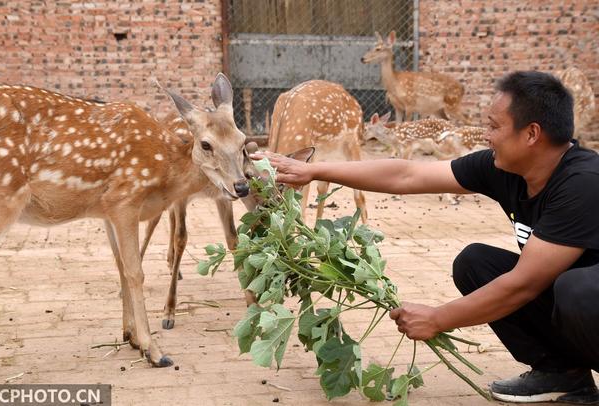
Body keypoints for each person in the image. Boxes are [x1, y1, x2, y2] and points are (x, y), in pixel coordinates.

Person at [251, 71, 599, 404]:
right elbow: (407, 174)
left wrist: (437, 318)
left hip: (587, 299)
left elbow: (524, 284)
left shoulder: (582, 183)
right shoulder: (506, 169)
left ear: (532, 134)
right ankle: (564, 374)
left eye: (494, 126)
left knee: (577, 290)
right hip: (575, 304)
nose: (486, 135)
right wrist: (311, 170)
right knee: (475, 263)